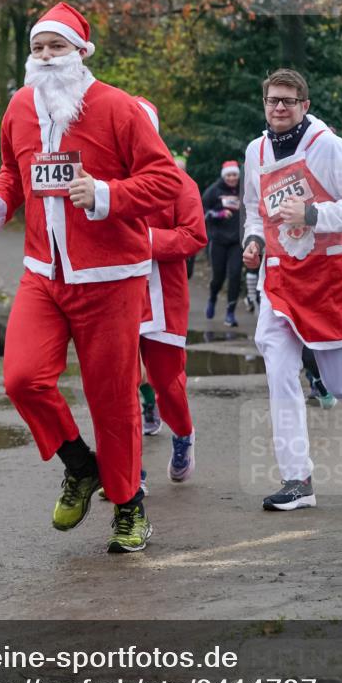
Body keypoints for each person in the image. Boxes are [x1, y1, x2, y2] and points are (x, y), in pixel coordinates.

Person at [0, 2, 181, 553]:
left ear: (81, 53)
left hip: (111, 276)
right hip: (44, 273)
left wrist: (108, 194)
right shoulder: (19, 107)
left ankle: (130, 507)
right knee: (22, 379)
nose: (45, 57)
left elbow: (166, 182)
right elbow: (11, 172)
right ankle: (79, 465)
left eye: (57, 47)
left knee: (112, 398)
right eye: (38, 48)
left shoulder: (117, 108)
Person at [243, 68, 342, 511]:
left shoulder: (327, 147)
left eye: (288, 101)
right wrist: (253, 241)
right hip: (280, 280)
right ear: (265, 104)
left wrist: (314, 215)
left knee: (340, 379)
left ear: (304, 106)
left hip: (328, 280)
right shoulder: (255, 151)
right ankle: (298, 479)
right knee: (278, 369)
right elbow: (255, 212)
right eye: (273, 100)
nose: (279, 107)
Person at [136, 97, 207, 482]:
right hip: (116, 298)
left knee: (166, 382)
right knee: (118, 386)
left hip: (164, 296)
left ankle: (182, 433)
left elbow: (194, 235)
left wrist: (143, 241)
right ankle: (129, 472)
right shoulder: (103, 181)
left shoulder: (180, 182)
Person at [202, 160, 242, 326]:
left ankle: (230, 313)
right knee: (218, 277)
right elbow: (202, 211)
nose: (232, 178)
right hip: (218, 240)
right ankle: (212, 298)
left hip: (237, 242)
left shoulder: (244, 189)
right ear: (224, 176)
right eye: (229, 175)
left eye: (235, 175)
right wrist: (218, 214)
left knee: (235, 275)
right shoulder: (214, 190)